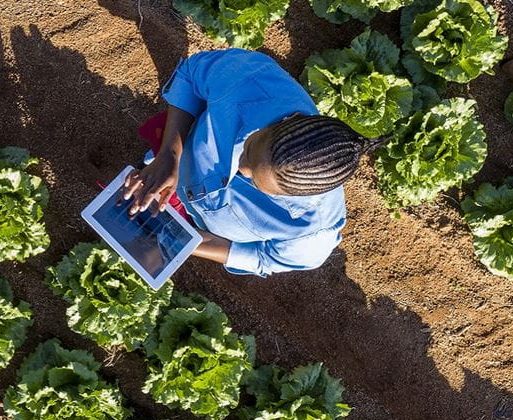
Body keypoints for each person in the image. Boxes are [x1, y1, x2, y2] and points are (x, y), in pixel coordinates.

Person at [121, 48, 379, 277]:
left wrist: (184, 242)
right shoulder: (250, 78)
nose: (239, 168)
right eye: (249, 148)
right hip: (172, 164)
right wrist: (170, 155)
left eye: (254, 180)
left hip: (191, 222)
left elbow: (264, 258)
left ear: (298, 195)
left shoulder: (313, 233)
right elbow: (190, 76)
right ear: (291, 119)